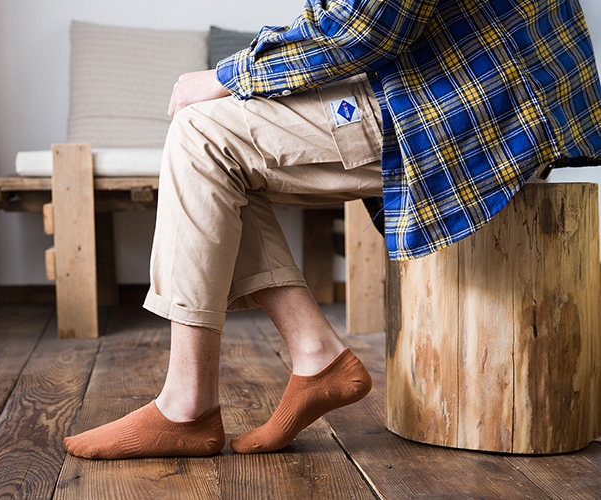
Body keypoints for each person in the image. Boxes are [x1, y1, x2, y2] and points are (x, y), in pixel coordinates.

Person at [63, 0, 601, 459]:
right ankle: (314, 353)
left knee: (200, 135)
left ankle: (187, 405)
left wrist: (226, 76)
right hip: (477, 85)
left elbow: (365, 28)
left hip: (471, 103)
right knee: (220, 147)